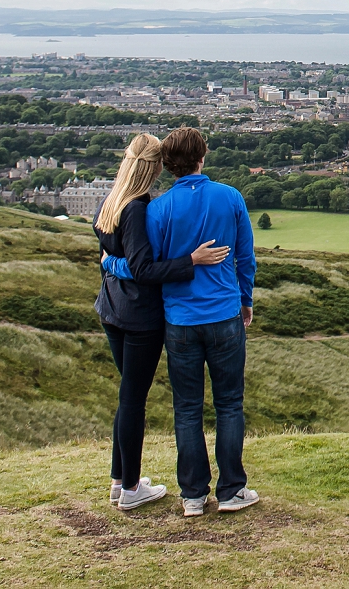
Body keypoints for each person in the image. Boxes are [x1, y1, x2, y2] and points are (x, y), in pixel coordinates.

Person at [92, 133, 230, 512]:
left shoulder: (111, 199)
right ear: (153, 167)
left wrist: (110, 264)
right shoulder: (137, 207)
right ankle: (131, 488)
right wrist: (192, 261)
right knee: (133, 400)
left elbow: (113, 256)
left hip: (111, 309)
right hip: (139, 317)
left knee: (128, 397)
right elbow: (144, 269)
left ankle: (121, 481)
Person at [147, 126, 259, 517]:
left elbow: (155, 266)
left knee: (187, 408)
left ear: (167, 164)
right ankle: (231, 491)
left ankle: (193, 495)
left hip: (179, 320)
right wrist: (246, 301)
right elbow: (245, 258)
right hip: (225, 314)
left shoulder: (158, 208)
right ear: (202, 156)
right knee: (229, 404)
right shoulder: (229, 197)